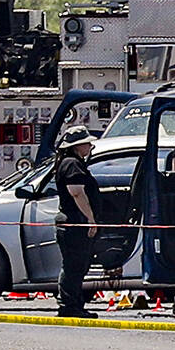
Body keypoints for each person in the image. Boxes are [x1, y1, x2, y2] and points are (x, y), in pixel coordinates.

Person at [54, 125, 101, 319]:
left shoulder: (72, 162)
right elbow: (76, 192)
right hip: (74, 222)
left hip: (73, 221)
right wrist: (90, 219)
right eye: (86, 143)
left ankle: (74, 304)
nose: (90, 145)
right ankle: (68, 306)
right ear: (77, 145)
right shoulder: (72, 164)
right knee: (73, 266)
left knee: (77, 265)